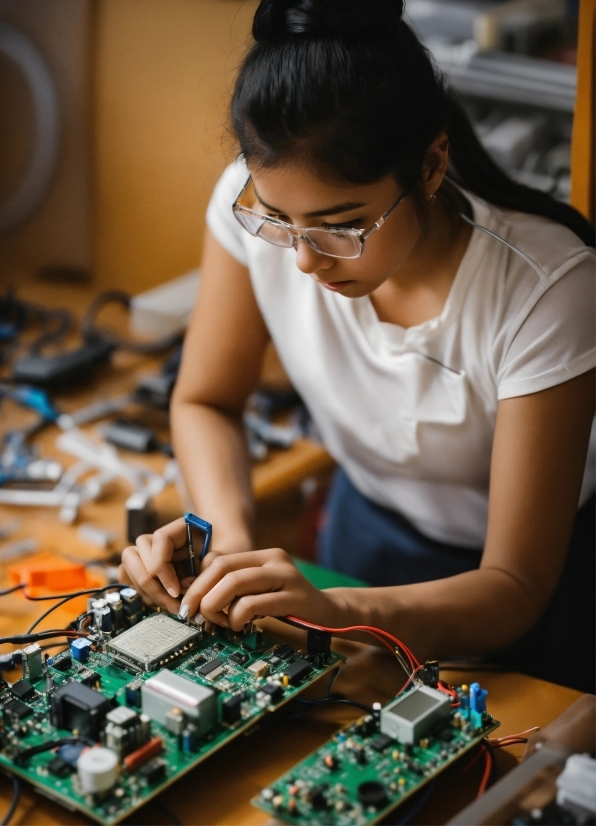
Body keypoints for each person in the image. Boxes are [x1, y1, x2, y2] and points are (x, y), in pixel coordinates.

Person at [120, 0, 596, 692]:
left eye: (341, 225)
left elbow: (514, 587)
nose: (305, 262)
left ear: (431, 166)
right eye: (278, 221)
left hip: (520, 593)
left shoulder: (548, 289)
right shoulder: (246, 203)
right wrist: (223, 544)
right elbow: (205, 400)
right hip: (364, 535)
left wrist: (336, 611)